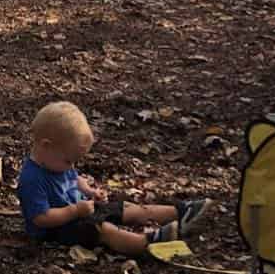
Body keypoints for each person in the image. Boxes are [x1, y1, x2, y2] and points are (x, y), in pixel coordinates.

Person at [16, 101, 210, 255]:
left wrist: (89, 191)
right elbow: (41, 218)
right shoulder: (31, 179)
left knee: (121, 207)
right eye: (69, 161)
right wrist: (74, 211)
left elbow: (74, 178)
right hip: (57, 230)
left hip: (80, 210)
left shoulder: (57, 161)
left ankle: (179, 212)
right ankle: (145, 244)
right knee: (103, 229)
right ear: (46, 146)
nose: (72, 166)